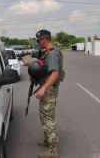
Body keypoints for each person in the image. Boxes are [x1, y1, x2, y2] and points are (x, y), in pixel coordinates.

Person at [23, 29, 63, 158]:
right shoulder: (49, 53)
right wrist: (30, 64)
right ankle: (47, 139)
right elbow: (44, 68)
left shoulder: (52, 54)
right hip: (47, 87)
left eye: (38, 41)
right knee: (44, 115)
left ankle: (53, 150)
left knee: (48, 118)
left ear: (44, 40)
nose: (38, 43)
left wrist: (43, 88)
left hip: (49, 88)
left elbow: (54, 74)